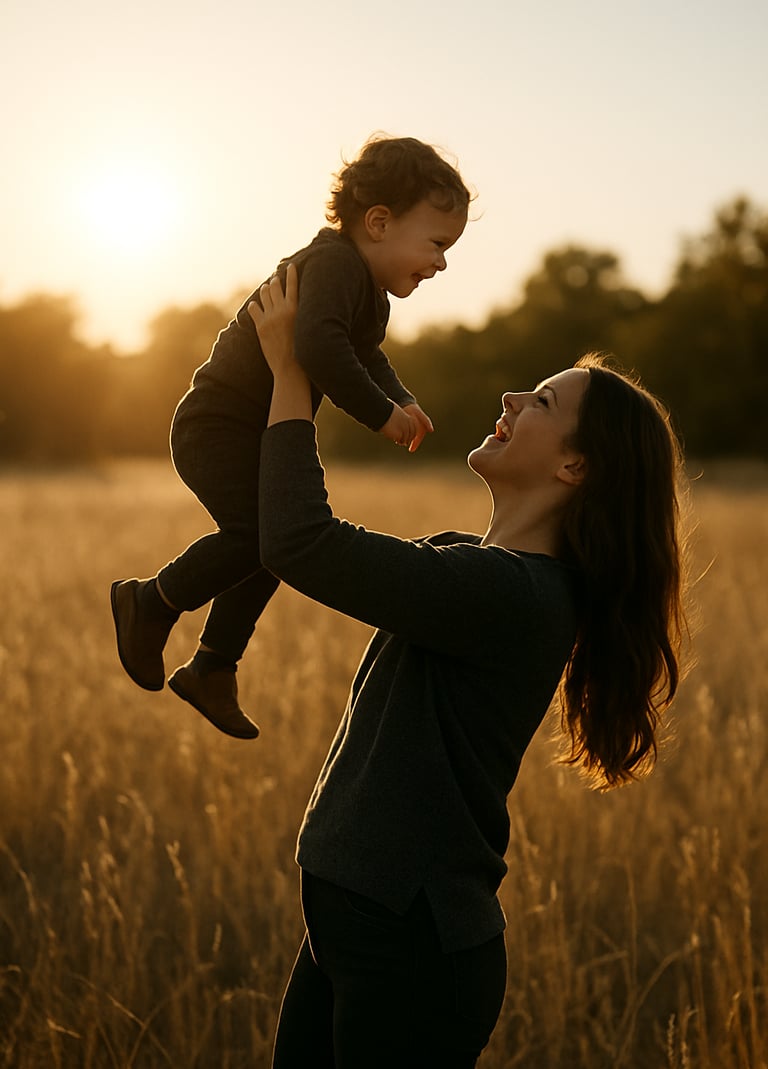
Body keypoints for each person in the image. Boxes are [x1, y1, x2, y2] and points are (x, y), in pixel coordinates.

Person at [248, 265, 688, 1068]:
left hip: (413, 951)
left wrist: (291, 372)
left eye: (543, 402)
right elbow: (303, 534)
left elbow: (299, 541)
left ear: (574, 469)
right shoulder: (470, 566)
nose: (513, 400)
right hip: (359, 925)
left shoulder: (509, 594)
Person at [110, 135, 471, 739]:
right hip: (218, 427)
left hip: (261, 433)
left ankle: (212, 667)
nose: (440, 262)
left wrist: (402, 396)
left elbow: (364, 352)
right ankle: (151, 602)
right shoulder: (331, 265)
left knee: (279, 538)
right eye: (436, 243)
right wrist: (380, 414)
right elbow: (318, 347)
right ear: (378, 222)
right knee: (263, 534)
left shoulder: (366, 292)